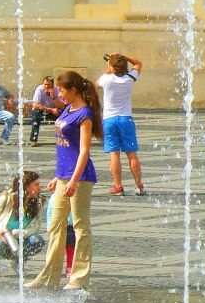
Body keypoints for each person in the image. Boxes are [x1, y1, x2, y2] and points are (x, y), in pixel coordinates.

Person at [26, 71, 102, 290]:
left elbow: (84, 150)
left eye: (62, 90)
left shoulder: (85, 114)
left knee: (80, 225)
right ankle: (48, 277)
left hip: (80, 178)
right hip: (63, 176)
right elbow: (64, 149)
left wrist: (74, 180)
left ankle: (79, 278)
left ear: (73, 90)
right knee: (55, 225)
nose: (58, 93)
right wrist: (58, 177)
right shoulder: (68, 109)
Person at [0, 171, 47, 277]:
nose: (40, 187)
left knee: (37, 240)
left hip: (18, 240)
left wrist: (22, 232)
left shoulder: (38, 202)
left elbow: (36, 227)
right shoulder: (6, 199)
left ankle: (18, 262)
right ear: (26, 187)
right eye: (36, 184)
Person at [97, 53, 145, 196]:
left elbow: (94, 85)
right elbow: (138, 63)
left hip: (109, 120)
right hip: (126, 119)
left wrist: (108, 69)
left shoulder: (106, 79)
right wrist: (123, 56)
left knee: (114, 154)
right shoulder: (130, 78)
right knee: (132, 154)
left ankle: (118, 186)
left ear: (112, 67)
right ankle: (139, 185)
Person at [29, 76, 61, 147]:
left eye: (48, 85)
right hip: (41, 110)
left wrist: (53, 97)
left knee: (64, 115)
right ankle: (33, 139)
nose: (46, 86)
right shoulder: (39, 89)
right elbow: (35, 105)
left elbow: (61, 105)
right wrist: (50, 109)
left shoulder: (57, 90)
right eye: (45, 84)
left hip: (53, 110)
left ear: (52, 85)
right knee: (36, 114)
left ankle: (65, 138)